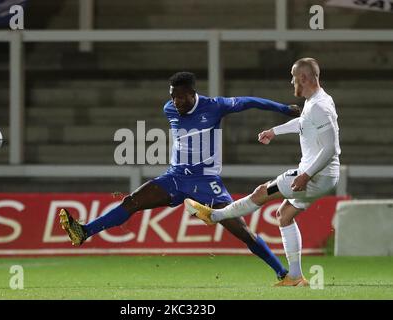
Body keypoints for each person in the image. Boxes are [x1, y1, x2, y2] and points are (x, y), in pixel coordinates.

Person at [59, 71, 301, 280]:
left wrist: (282, 109)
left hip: (206, 181)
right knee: (131, 201)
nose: (176, 102)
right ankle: (84, 232)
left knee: (242, 232)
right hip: (174, 178)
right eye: (173, 96)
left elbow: (248, 101)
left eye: (181, 96)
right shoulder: (169, 108)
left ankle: (283, 273)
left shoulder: (215, 106)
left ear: (193, 93)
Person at [186, 58, 341, 287]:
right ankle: (296, 278)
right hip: (320, 175)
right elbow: (304, 123)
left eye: (292, 77)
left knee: (261, 193)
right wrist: (274, 131)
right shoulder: (316, 102)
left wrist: (306, 175)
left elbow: (331, 148)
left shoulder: (320, 105)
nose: (291, 81)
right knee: (284, 215)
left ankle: (214, 216)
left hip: (316, 175)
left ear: (304, 78)